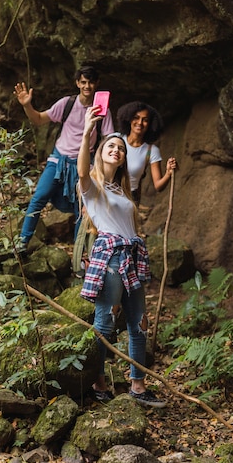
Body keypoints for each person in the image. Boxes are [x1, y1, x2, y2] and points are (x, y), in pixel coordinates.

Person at [77, 106, 166, 408]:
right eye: (110, 146)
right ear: (101, 152)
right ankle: (97, 380)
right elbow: (80, 170)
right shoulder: (92, 186)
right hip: (111, 257)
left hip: (133, 254)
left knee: (139, 322)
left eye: (120, 148)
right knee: (105, 321)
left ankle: (137, 386)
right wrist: (89, 130)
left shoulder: (122, 190)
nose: (116, 150)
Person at [14, 66, 114, 255]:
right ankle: (22, 243)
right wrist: (27, 105)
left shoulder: (103, 111)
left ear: (97, 84)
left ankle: (78, 256)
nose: (87, 86)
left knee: (82, 210)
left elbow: (108, 140)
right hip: (58, 160)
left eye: (91, 82)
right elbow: (38, 119)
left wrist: (102, 169)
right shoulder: (67, 104)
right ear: (77, 83)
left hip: (84, 164)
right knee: (39, 197)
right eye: (83, 82)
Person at [116, 101, 177, 205]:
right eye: (136, 117)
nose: (140, 122)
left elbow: (158, 186)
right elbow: (98, 170)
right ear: (129, 119)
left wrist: (168, 173)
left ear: (150, 124)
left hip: (130, 199)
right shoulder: (115, 140)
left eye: (145, 120)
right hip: (107, 193)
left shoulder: (151, 151)